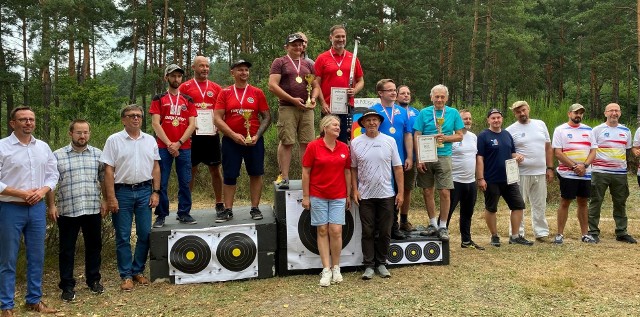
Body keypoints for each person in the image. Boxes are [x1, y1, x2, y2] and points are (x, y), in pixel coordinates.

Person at [0, 106, 59, 315]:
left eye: (31, 119)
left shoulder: (42, 147)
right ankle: (6, 305)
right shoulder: (2, 147)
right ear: (12, 123)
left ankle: (33, 299)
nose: (28, 123)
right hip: (9, 208)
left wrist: (43, 191)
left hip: (36, 209)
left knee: (37, 256)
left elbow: (53, 174)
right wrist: (21, 194)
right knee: (7, 258)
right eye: (23, 119)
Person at [101, 104, 161, 291]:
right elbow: (108, 170)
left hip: (144, 191)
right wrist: (111, 197)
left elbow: (156, 167)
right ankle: (126, 275)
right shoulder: (114, 140)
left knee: (145, 234)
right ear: (123, 119)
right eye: (131, 115)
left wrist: (156, 192)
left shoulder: (150, 140)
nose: (136, 118)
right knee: (123, 236)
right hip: (122, 192)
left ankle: (138, 270)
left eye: (139, 116)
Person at [46, 120, 106, 302]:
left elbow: (103, 179)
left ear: (89, 133)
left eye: (86, 132)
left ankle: (94, 280)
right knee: (66, 250)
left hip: (92, 207)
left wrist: (105, 200)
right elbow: (51, 184)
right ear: (70, 133)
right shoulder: (57, 156)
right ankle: (67, 285)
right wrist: (51, 205)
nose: (82, 136)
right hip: (67, 209)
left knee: (94, 246)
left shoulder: (98, 154)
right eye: (79, 132)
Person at [214, 60, 271, 221]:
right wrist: (233, 135)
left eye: (246, 70)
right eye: (240, 70)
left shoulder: (257, 92)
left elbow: (266, 116)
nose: (244, 73)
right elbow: (217, 118)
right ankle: (228, 210)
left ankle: (255, 208)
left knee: (256, 173)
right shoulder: (225, 93)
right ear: (232, 73)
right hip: (231, 141)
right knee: (230, 175)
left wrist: (257, 135)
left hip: (253, 140)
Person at [351, 111, 404, 280]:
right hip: (365, 194)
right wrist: (354, 189)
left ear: (379, 122)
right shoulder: (355, 143)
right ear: (363, 123)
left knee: (385, 230)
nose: (372, 123)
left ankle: (381, 263)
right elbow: (353, 169)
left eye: (375, 120)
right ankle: (368, 265)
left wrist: (400, 192)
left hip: (386, 194)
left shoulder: (389, 141)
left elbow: (397, 167)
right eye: (368, 120)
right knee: (367, 230)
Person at [301, 115, 351, 287]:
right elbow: (306, 172)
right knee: (322, 230)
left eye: (339, 125)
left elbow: (347, 172)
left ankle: (336, 267)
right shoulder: (313, 146)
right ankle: (326, 269)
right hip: (318, 194)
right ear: (325, 128)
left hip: (338, 195)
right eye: (335, 125)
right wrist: (306, 196)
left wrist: (348, 194)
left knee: (336, 230)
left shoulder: (344, 147)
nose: (338, 127)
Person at [269, 33, 320, 189]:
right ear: (287, 47)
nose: (298, 47)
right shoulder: (280, 62)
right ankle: (284, 177)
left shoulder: (309, 64)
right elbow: (272, 86)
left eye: (300, 44)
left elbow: (316, 86)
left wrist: (313, 99)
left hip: (307, 110)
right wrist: (292, 100)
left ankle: (307, 177)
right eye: (294, 45)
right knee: (287, 142)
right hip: (288, 107)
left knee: (307, 143)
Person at [413, 84, 463, 241]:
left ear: (446, 98)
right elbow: (417, 135)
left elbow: (460, 135)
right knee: (427, 191)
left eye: (442, 97)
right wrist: (419, 158)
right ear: (431, 97)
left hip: (444, 155)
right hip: (427, 156)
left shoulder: (453, 113)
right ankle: (432, 223)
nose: (439, 99)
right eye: (437, 96)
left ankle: (443, 226)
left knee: (445, 192)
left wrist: (446, 138)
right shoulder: (424, 113)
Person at [476, 108, 533, 247]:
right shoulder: (483, 136)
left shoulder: (507, 134)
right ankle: (494, 236)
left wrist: (517, 157)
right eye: (493, 118)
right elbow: (479, 158)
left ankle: (515, 236)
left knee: (518, 205)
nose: (496, 120)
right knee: (491, 208)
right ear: (488, 120)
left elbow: (511, 153)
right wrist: (481, 178)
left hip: (509, 178)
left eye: (498, 118)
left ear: (502, 119)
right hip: (491, 179)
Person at [151, 64, 197, 228]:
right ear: (166, 78)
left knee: (185, 181)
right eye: (173, 76)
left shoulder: (188, 100)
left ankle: (184, 213)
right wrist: (170, 144)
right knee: (161, 182)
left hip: (184, 147)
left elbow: (192, 125)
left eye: (179, 76)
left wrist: (178, 143)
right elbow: (156, 124)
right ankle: (161, 215)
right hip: (163, 147)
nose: (176, 79)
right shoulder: (159, 99)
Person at [179, 56, 225, 213]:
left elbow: (221, 111)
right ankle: (186, 206)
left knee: (215, 170)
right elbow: (180, 110)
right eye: (201, 66)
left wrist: (219, 124)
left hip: (211, 135)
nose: (205, 69)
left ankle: (219, 203)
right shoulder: (184, 87)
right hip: (192, 136)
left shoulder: (216, 88)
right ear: (193, 67)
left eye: (207, 66)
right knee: (190, 170)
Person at [369, 79, 412, 240]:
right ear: (380, 93)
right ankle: (379, 228)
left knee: (396, 194)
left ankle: (394, 227)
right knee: (381, 195)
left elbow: (407, 135)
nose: (394, 93)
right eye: (390, 90)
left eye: (395, 90)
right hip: (379, 160)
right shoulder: (373, 111)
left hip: (398, 160)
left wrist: (408, 156)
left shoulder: (401, 111)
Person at [588, 103, 636, 244]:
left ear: (620, 113)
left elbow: (627, 151)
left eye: (617, 111)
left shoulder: (626, 131)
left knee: (620, 203)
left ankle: (621, 232)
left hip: (619, 173)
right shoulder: (596, 130)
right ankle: (593, 232)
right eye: (611, 110)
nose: (614, 113)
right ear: (605, 113)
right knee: (596, 201)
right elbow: (592, 150)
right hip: (599, 172)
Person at [505, 101, 553, 242]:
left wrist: (549, 168)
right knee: (518, 204)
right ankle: (517, 233)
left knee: (539, 204)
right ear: (514, 113)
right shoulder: (510, 130)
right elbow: (507, 152)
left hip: (540, 171)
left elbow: (548, 148)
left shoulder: (540, 124)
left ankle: (541, 233)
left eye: (523, 110)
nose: (522, 113)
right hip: (521, 172)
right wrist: (515, 156)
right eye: (518, 111)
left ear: (528, 109)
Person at [551, 103, 597, 244]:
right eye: (575, 112)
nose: (578, 115)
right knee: (565, 202)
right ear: (569, 114)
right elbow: (558, 153)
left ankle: (585, 234)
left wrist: (585, 166)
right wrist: (575, 166)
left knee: (583, 202)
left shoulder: (589, 130)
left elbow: (593, 151)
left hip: (585, 173)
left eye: (581, 113)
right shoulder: (560, 130)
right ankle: (559, 234)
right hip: (567, 173)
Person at [314, 24, 364, 143]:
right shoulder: (322, 58)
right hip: (329, 107)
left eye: (343, 36)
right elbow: (316, 82)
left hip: (347, 106)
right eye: (337, 36)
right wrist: (323, 103)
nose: (341, 39)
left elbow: (361, 81)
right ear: (330, 38)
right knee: (328, 138)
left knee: (346, 138)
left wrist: (355, 90)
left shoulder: (353, 58)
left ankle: (343, 161)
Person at [447, 109, 484, 250]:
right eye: (464, 119)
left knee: (467, 212)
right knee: (447, 211)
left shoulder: (474, 137)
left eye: (469, 118)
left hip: (470, 181)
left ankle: (466, 241)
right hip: (454, 180)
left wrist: (479, 178)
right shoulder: (451, 136)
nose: (468, 121)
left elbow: (477, 158)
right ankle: (439, 240)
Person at [397, 85, 420, 232]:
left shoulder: (416, 113)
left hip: (411, 158)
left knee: (407, 189)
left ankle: (404, 220)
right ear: (397, 95)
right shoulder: (392, 111)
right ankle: (392, 221)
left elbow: (420, 135)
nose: (406, 95)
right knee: (393, 190)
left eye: (408, 93)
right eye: (403, 93)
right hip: (395, 158)